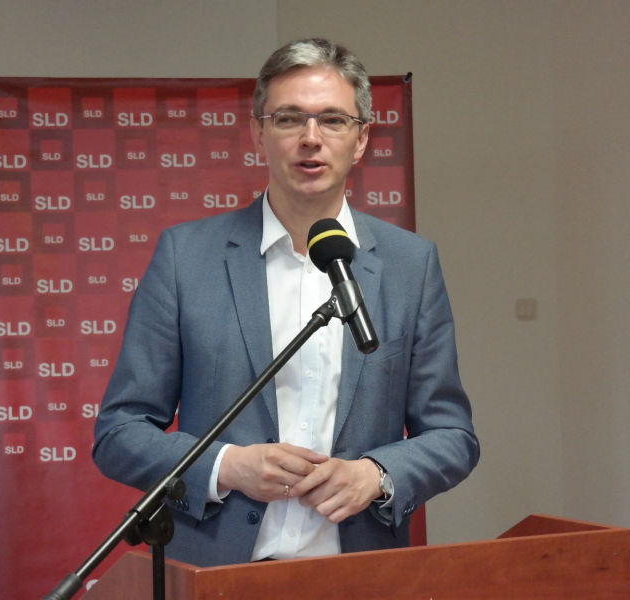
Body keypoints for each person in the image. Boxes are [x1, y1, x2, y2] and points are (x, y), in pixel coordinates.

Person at [93, 38, 479, 567]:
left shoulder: (410, 265)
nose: (310, 138)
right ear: (258, 133)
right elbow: (120, 432)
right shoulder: (186, 257)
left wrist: (377, 475)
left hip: (359, 572)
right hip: (217, 573)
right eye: (289, 119)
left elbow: (453, 436)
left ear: (362, 139)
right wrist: (226, 466)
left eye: (333, 120)